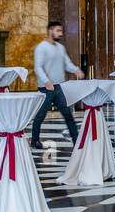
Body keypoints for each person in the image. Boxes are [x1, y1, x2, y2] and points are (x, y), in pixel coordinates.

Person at [31, 20, 81, 148]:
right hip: (45, 89)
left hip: (59, 88)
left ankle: (77, 141)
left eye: (61, 31)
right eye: (58, 31)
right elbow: (38, 67)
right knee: (40, 116)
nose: (60, 33)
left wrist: (75, 70)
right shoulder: (41, 48)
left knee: (68, 115)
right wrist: (47, 82)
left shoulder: (61, 48)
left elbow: (67, 64)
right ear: (50, 31)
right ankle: (34, 140)